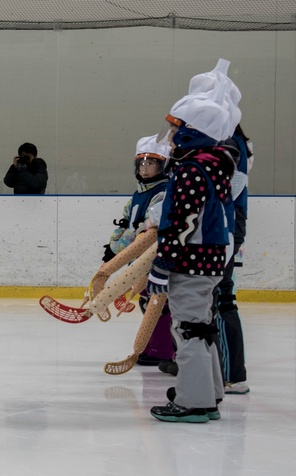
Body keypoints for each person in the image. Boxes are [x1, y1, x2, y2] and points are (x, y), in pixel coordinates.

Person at [148, 59, 240, 424]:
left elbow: (181, 222)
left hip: (192, 259)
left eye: (176, 129)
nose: (170, 137)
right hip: (211, 256)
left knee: (188, 326)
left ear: (192, 133)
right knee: (200, 325)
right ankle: (207, 388)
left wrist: (162, 263)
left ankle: (195, 401)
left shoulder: (191, 169)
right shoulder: (215, 162)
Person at [102, 135, 173, 366]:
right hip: (138, 257)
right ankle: (155, 346)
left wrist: (120, 249)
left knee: (157, 304)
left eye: (151, 163)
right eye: (141, 163)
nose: (145, 167)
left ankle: (162, 349)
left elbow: (144, 229)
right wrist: (113, 247)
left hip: (154, 257)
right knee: (147, 300)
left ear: (163, 166)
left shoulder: (162, 193)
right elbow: (126, 222)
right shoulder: (138, 194)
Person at [215, 124, 252, 394]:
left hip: (224, 223)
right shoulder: (229, 137)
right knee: (214, 297)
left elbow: (229, 186)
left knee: (220, 296)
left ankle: (231, 374)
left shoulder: (227, 139)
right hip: (225, 222)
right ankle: (217, 368)